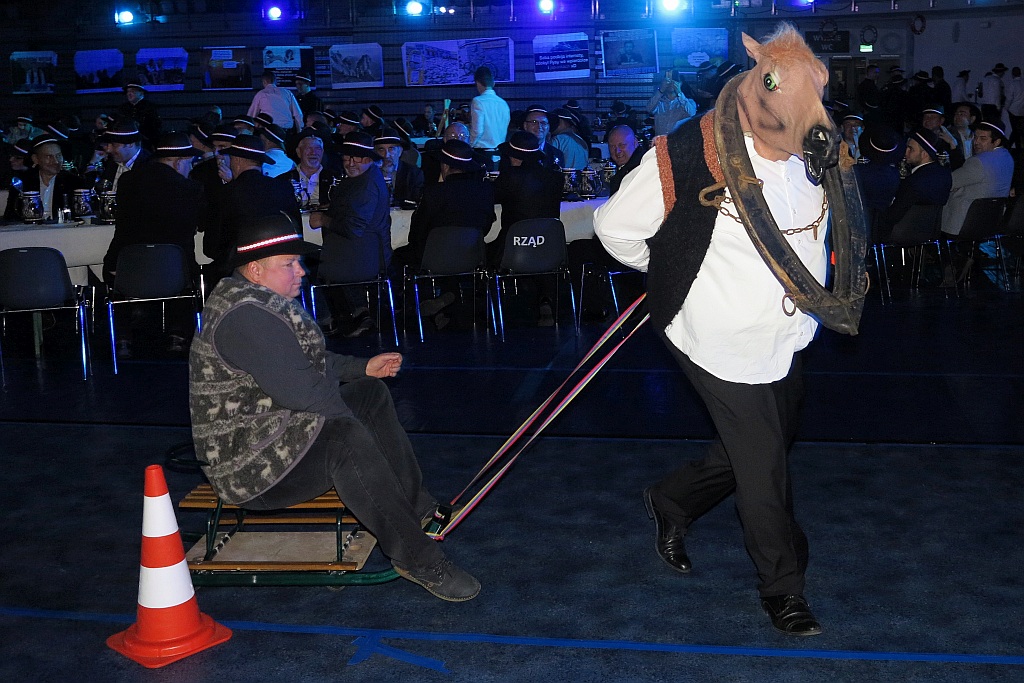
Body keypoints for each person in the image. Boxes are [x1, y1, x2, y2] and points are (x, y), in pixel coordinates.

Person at [189, 213, 480, 602]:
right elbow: (307, 396)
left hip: (274, 431)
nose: (301, 271)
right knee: (345, 440)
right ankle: (418, 558)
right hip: (250, 469)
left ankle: (416, 507)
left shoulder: (256, 300)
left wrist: (361, 368)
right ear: (256, 270)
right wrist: (362, 446)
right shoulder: (246, 318)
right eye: (290, 264)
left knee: (369, 394)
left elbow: (304, 363)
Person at [103, 131, 205, 284]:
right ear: (178, 162)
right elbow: (202, 222)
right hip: (174, 272)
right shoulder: (190, 188)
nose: (190, 168)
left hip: (125, 268)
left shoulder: (127, 181)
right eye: (189, 163)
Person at [205, 136, 300, 280]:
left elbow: (211, 247)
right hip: (279, 269)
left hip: (239, 272)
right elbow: (296, 230)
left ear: (237, 160)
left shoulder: (225, 193)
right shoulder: (283, 188)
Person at [491, 131, 562, 269]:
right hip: (548, 248)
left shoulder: (509, 177)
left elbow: (491, 197)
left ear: (514, 157)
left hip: (514, 248)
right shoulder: (556, 178)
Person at [875, 128, 953, 242]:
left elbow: (892, 216)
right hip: (929, 234)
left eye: (911, 149)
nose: (906, 152)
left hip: (901, 234)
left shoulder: (913, 182)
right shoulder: (945, 175)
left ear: (924, 154)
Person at [942, 121, 1014, 236]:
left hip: (964, 223)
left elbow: (948, 182)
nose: (976, 142)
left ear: (996, 142)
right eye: (975, 137)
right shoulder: (1007, 157)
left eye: (983, 139)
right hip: (992, 221)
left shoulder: (978, 161)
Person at [3, 134, 85, 221]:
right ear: (36, 159)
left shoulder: (74, 182)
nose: (56, 161)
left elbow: (82, 216)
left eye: (58, 156)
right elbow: (11, 217)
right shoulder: (23, 183)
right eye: (49, 157)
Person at [375, 128, 423, 206]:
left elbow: (418, 202)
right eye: (381, 149)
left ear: (400, 151)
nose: (386, 155)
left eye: (391, 149)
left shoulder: (414, 174)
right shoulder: (369, 174)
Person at [97, 120, 150, 192]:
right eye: (107, 144)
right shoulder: (111, 162)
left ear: (130, 144)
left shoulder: (149, 167)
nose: (108, 150)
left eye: (114, 145)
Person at [469, 66, 510, 152]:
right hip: (500, 151)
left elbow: (477, 131)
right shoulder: (503, 103)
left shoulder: (478, 101)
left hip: (482, 151)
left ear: (477, 83)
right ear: (493, 83)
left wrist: (470, 144)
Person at [646, 70, 697, 137]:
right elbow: (649, 109)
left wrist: (679, 93)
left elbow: (691, 113)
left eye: (675, 81)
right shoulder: (658, 102)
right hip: (661, 140)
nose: (671, 84)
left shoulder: (688, 102)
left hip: (678, 140)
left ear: (681, 83)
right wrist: (661, 90)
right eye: (669, 81)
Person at [421, 122, 470, 186]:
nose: (458, 139)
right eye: (453, 136)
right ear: (445, 139)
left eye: (462, 135)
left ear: (469, 139)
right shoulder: (430, 161)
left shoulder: (477, 163)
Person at [117, 82, 162, 148]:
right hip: (127, 142)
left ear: (141, 93)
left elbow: (155, 127)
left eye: (132, 91)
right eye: (128, 91)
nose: (129, 94)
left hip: (146, 142)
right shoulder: (123, 108)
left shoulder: (150, 107)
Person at [606, 124, 644, 196]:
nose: (617, 151)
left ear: (635, 143)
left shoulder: (641, 167)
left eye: (622, 145)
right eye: (612, 146)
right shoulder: (624, 168)